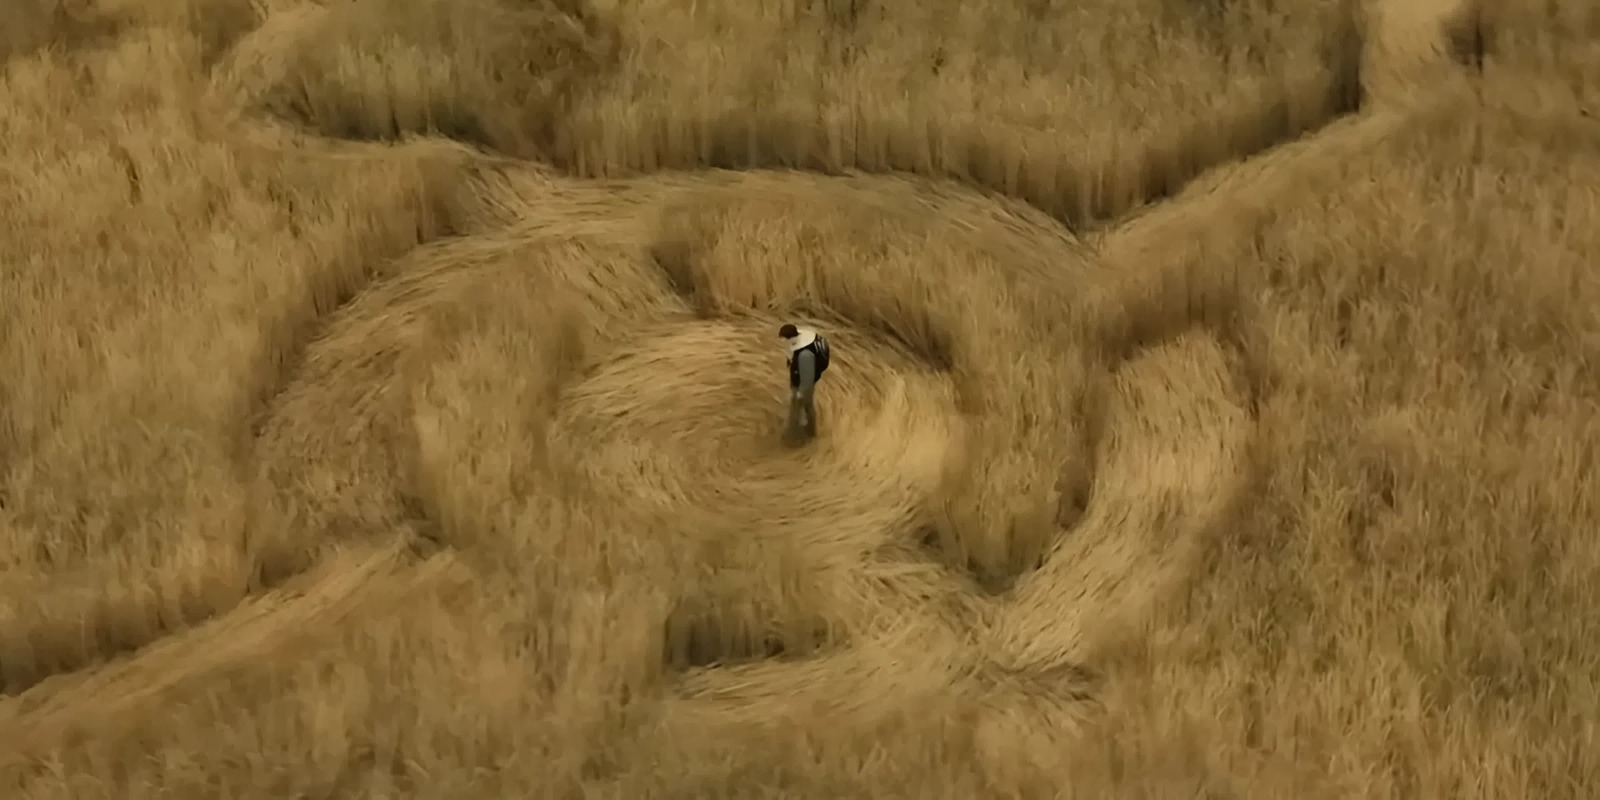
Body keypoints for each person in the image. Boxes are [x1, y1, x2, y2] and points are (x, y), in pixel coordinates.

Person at [780, 323, 830, 440]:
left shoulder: (805, 355)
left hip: (803, 387)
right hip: (802, 382)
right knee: (806, 407)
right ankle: (809, 432)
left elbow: (807, 379)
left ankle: (795, 435)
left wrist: (800, 393)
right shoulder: (802, 346)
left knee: (799, 408)